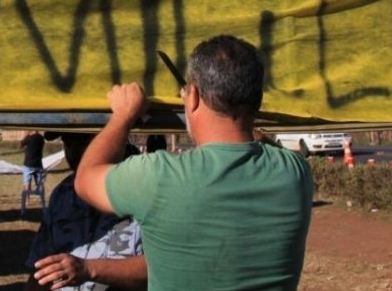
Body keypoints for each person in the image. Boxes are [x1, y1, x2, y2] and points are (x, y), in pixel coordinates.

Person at [76, 35, 314, 291]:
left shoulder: (157, 177)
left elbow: (86, 179)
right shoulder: (294, 173)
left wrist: (122, 116)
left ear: (194, 96)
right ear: (256, 100)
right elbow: (259, 141)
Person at [24, 132, 146, 291]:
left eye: (83, 141)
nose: (72, 151)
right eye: (67, 141)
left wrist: (89, 269)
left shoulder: (148, 189)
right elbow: (41, 267)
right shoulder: (63, 193)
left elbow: (163, 270)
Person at [20, 131, 45, 202]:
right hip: (38, 164)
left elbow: (21, 144)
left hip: (28, 164)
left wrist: (26, 135)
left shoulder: (29, 138)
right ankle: (41, 199)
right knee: (40, 183)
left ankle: (27, 200)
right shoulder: (41, 138)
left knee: (27, 182)